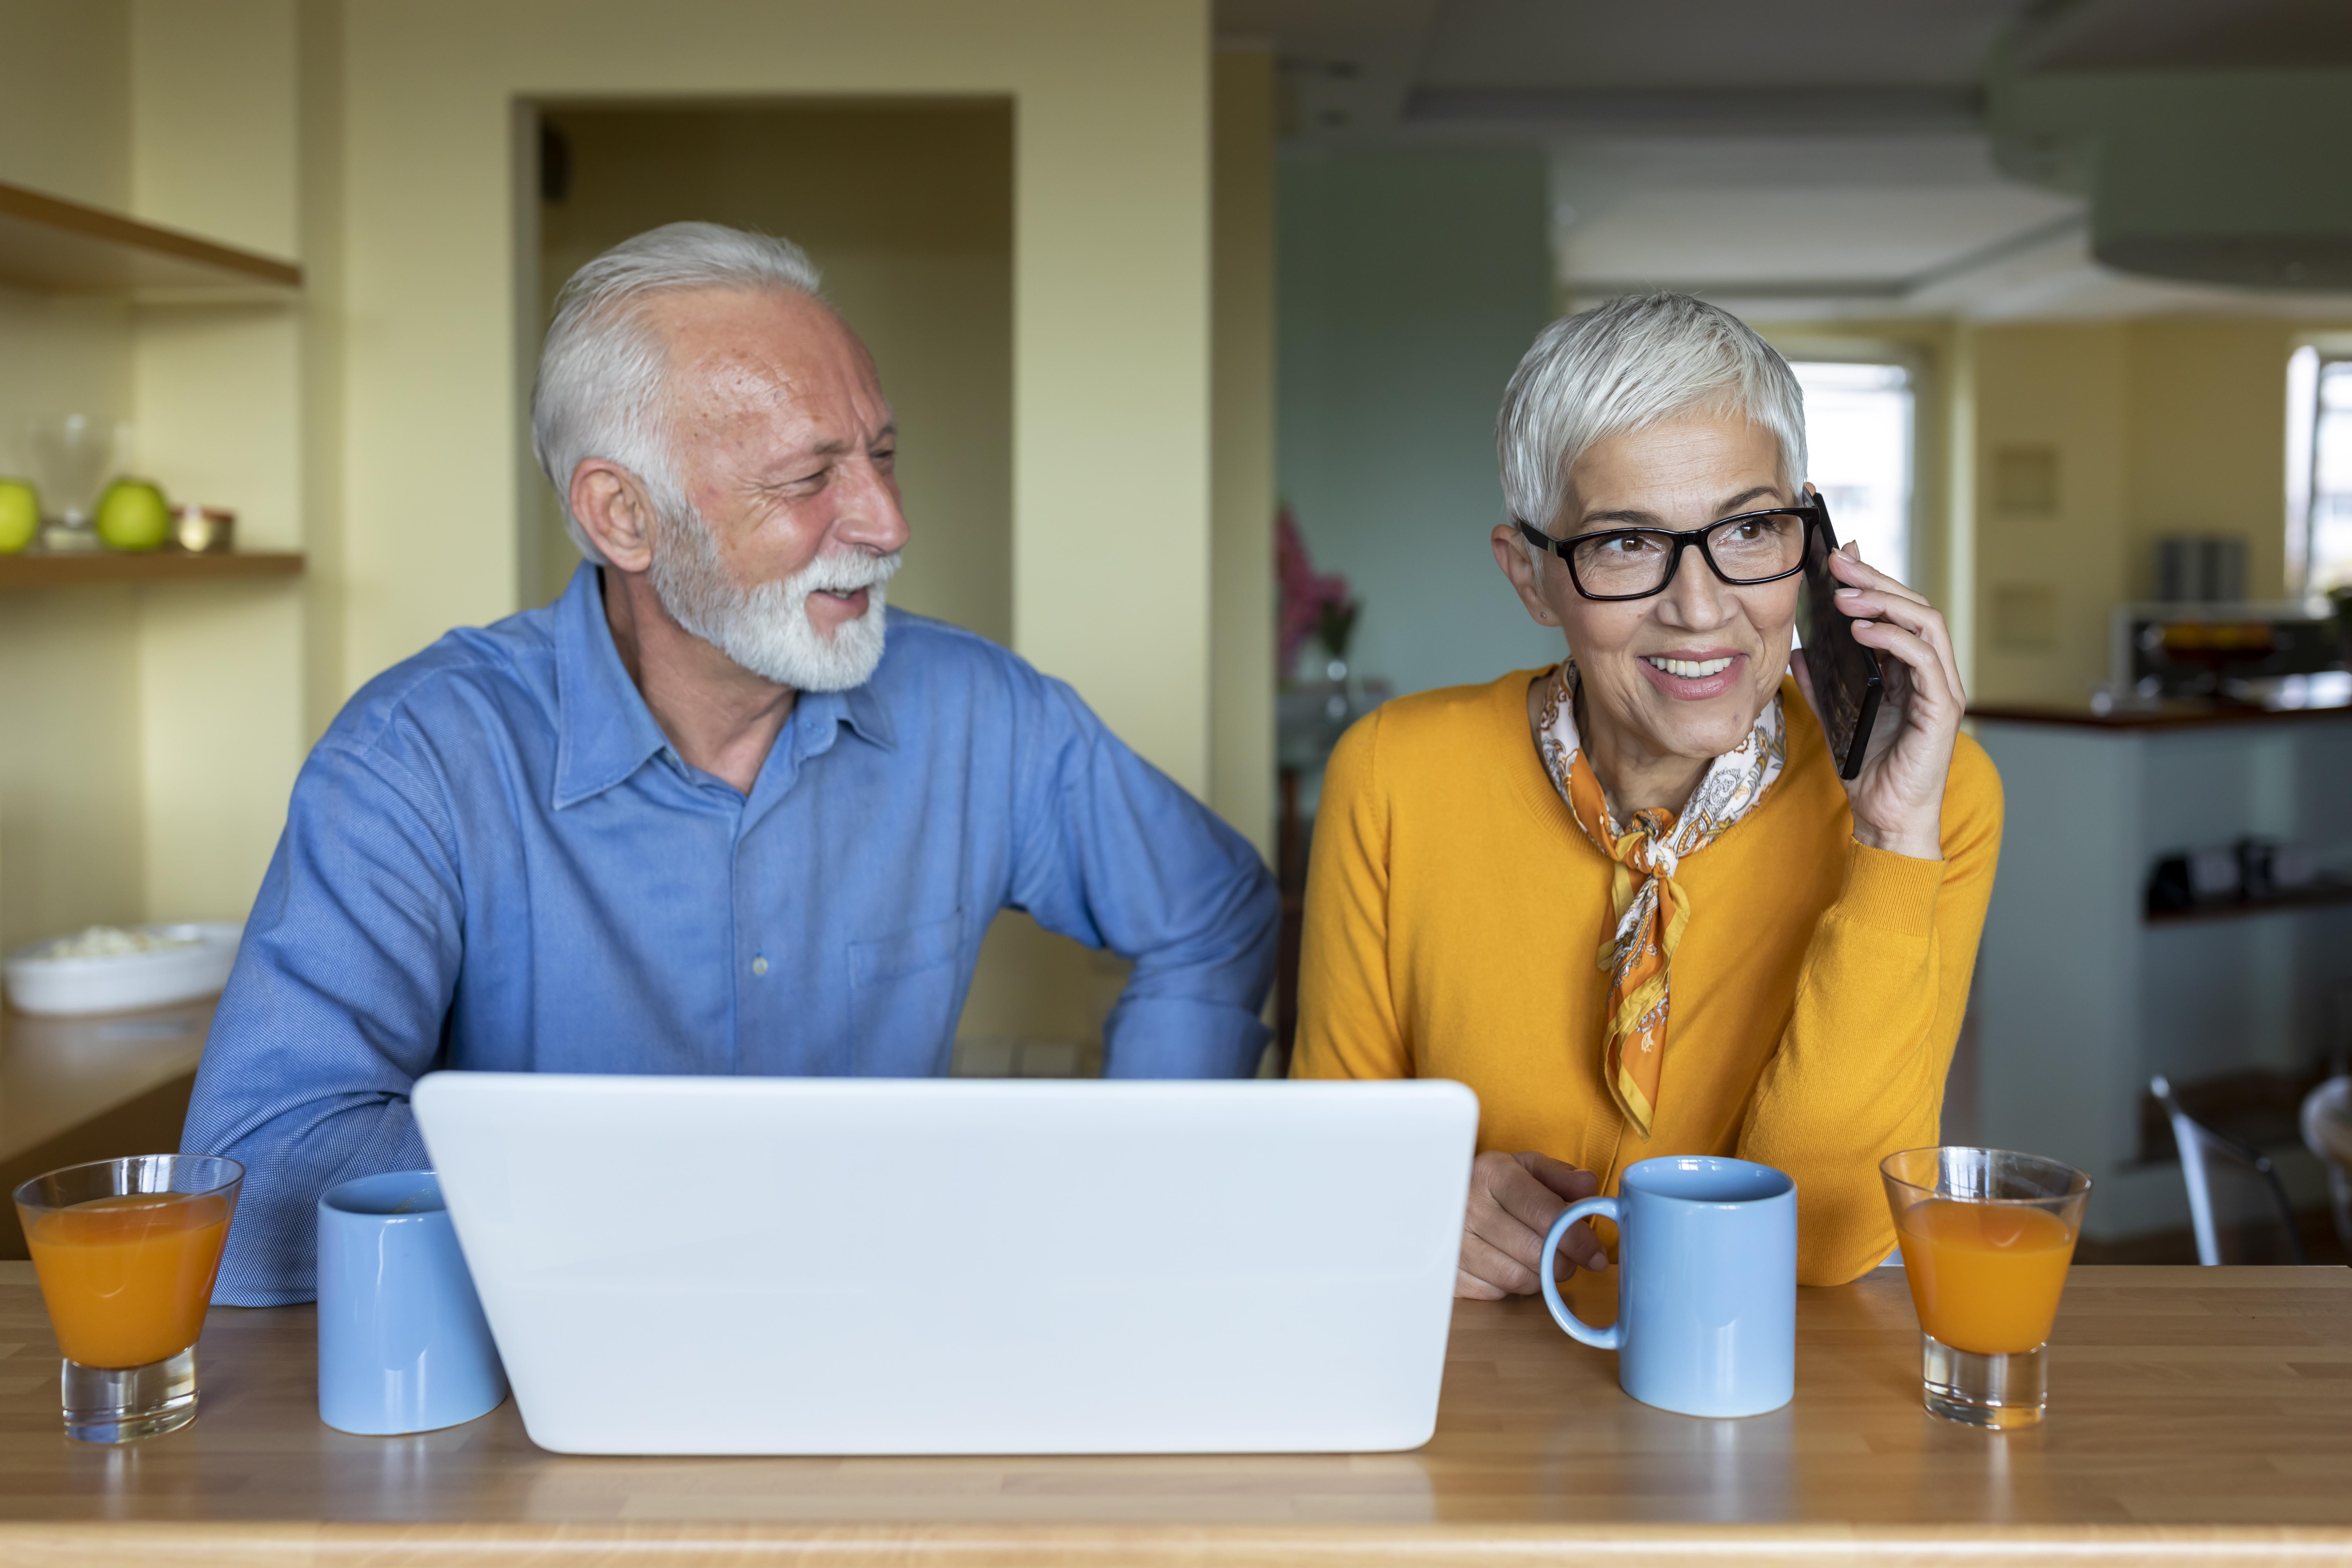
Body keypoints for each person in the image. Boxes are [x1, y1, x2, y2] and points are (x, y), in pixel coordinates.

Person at [184, 223, 1278, 1305]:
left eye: (882, 455)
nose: (889, 523)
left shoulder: (981, 711)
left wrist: (1150, 1183)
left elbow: (1215, 909)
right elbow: (265, 1173)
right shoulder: (417, 757)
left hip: (877, 1361)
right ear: (623, 516)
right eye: (810, 478)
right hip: (540, 1394)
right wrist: (694, 1203)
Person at [1292, 294, 2000, 1291]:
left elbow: (1826, 1239)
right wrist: (1419, 1202)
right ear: (1532, 577)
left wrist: (1891, 839)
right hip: (1486, 1389)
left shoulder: (1935, 800)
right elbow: (1325, 1171)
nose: (1701, 608)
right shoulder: (1393, 773)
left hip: (1767, 1402)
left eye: (1750, 529)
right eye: (1626, 543)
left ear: (1811, 539)